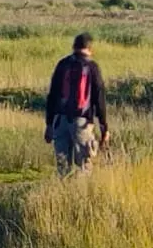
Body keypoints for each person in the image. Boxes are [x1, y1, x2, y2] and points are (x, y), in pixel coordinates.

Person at [45, 33, 108, 174]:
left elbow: (52, 95)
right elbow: (99, 98)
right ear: (90, 49)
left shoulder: (63, 64)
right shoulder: (92, 67)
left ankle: (63, 187)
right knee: (84, 166)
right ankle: (81, 188)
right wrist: (104, 126)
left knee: (62, 166)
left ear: (74, 47)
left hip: (60, 121)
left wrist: (49, 124)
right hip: (82, 122)